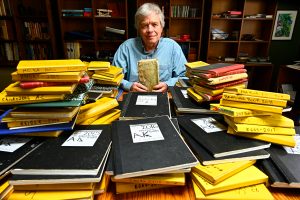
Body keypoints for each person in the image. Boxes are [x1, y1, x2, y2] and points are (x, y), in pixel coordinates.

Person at [112, 3, 187, 93]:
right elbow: (113, 77)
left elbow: (184, 76)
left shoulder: (173, 47)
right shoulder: (126, 47)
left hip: (164, 95)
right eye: (144, 25)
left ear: (161, 27)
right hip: (133, 95)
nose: (150, 30)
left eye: (154, 24)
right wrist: (129, 86)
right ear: (138, 29)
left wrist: (168, 85)